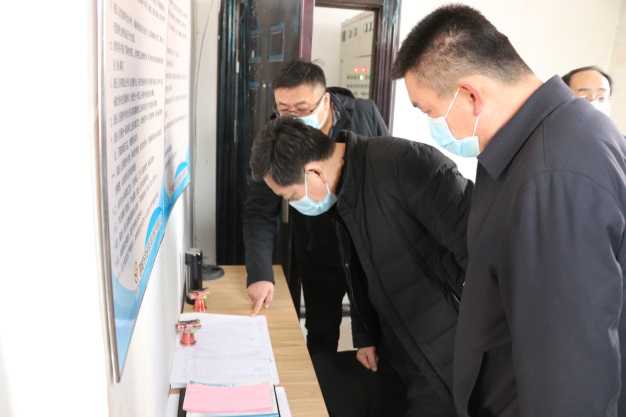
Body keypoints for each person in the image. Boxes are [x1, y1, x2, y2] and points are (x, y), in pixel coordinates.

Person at [392, 5, 626, 417]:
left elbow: (570, 379)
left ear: (470, 95)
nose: (433, 125)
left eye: (428, 111)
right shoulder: (533, 143)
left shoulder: (552, 176)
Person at [250, 116, 472, 416]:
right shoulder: (343, 189)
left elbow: (481, 251)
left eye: (291, 196)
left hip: (445, 355)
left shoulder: (405, 163)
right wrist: (366, 335)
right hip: (395, 346)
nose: (293, 205)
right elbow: (358, 267)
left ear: (313, 171)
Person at [243, 60, 388, 356]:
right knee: (321, 334)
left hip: (366, 249)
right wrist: (260, 274)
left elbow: (384, 177)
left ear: (326, 100)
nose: (292, 118)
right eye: (284, 109)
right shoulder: (276, 137)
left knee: (378, 334)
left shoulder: (364, 114)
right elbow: (259, 211)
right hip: (318, 249)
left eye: (302, 108)